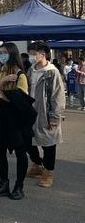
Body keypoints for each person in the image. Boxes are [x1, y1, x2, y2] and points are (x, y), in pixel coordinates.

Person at [0, 42, 30, 200]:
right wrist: (3, 82)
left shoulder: (20, 74)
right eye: (0, 52)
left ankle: (19, 186)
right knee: (0, 151)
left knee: (20, 151)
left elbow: (22, 97)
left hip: (16, 114)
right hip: (1, 113)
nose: (2, 55)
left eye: (5, 52)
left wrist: (0, 90)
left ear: (12, 54)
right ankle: (3, 184)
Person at [25, 41, 65, 188]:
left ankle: (48, 172)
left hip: (45, 113)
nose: (31, 56)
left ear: (43, 54)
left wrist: (55, 116)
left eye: (33, 54)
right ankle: (37, 164)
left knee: (48, 144)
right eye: (30, 53)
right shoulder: (31, 70)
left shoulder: (52, 72)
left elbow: (58, 96)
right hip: (30, 112)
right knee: (27, 141)